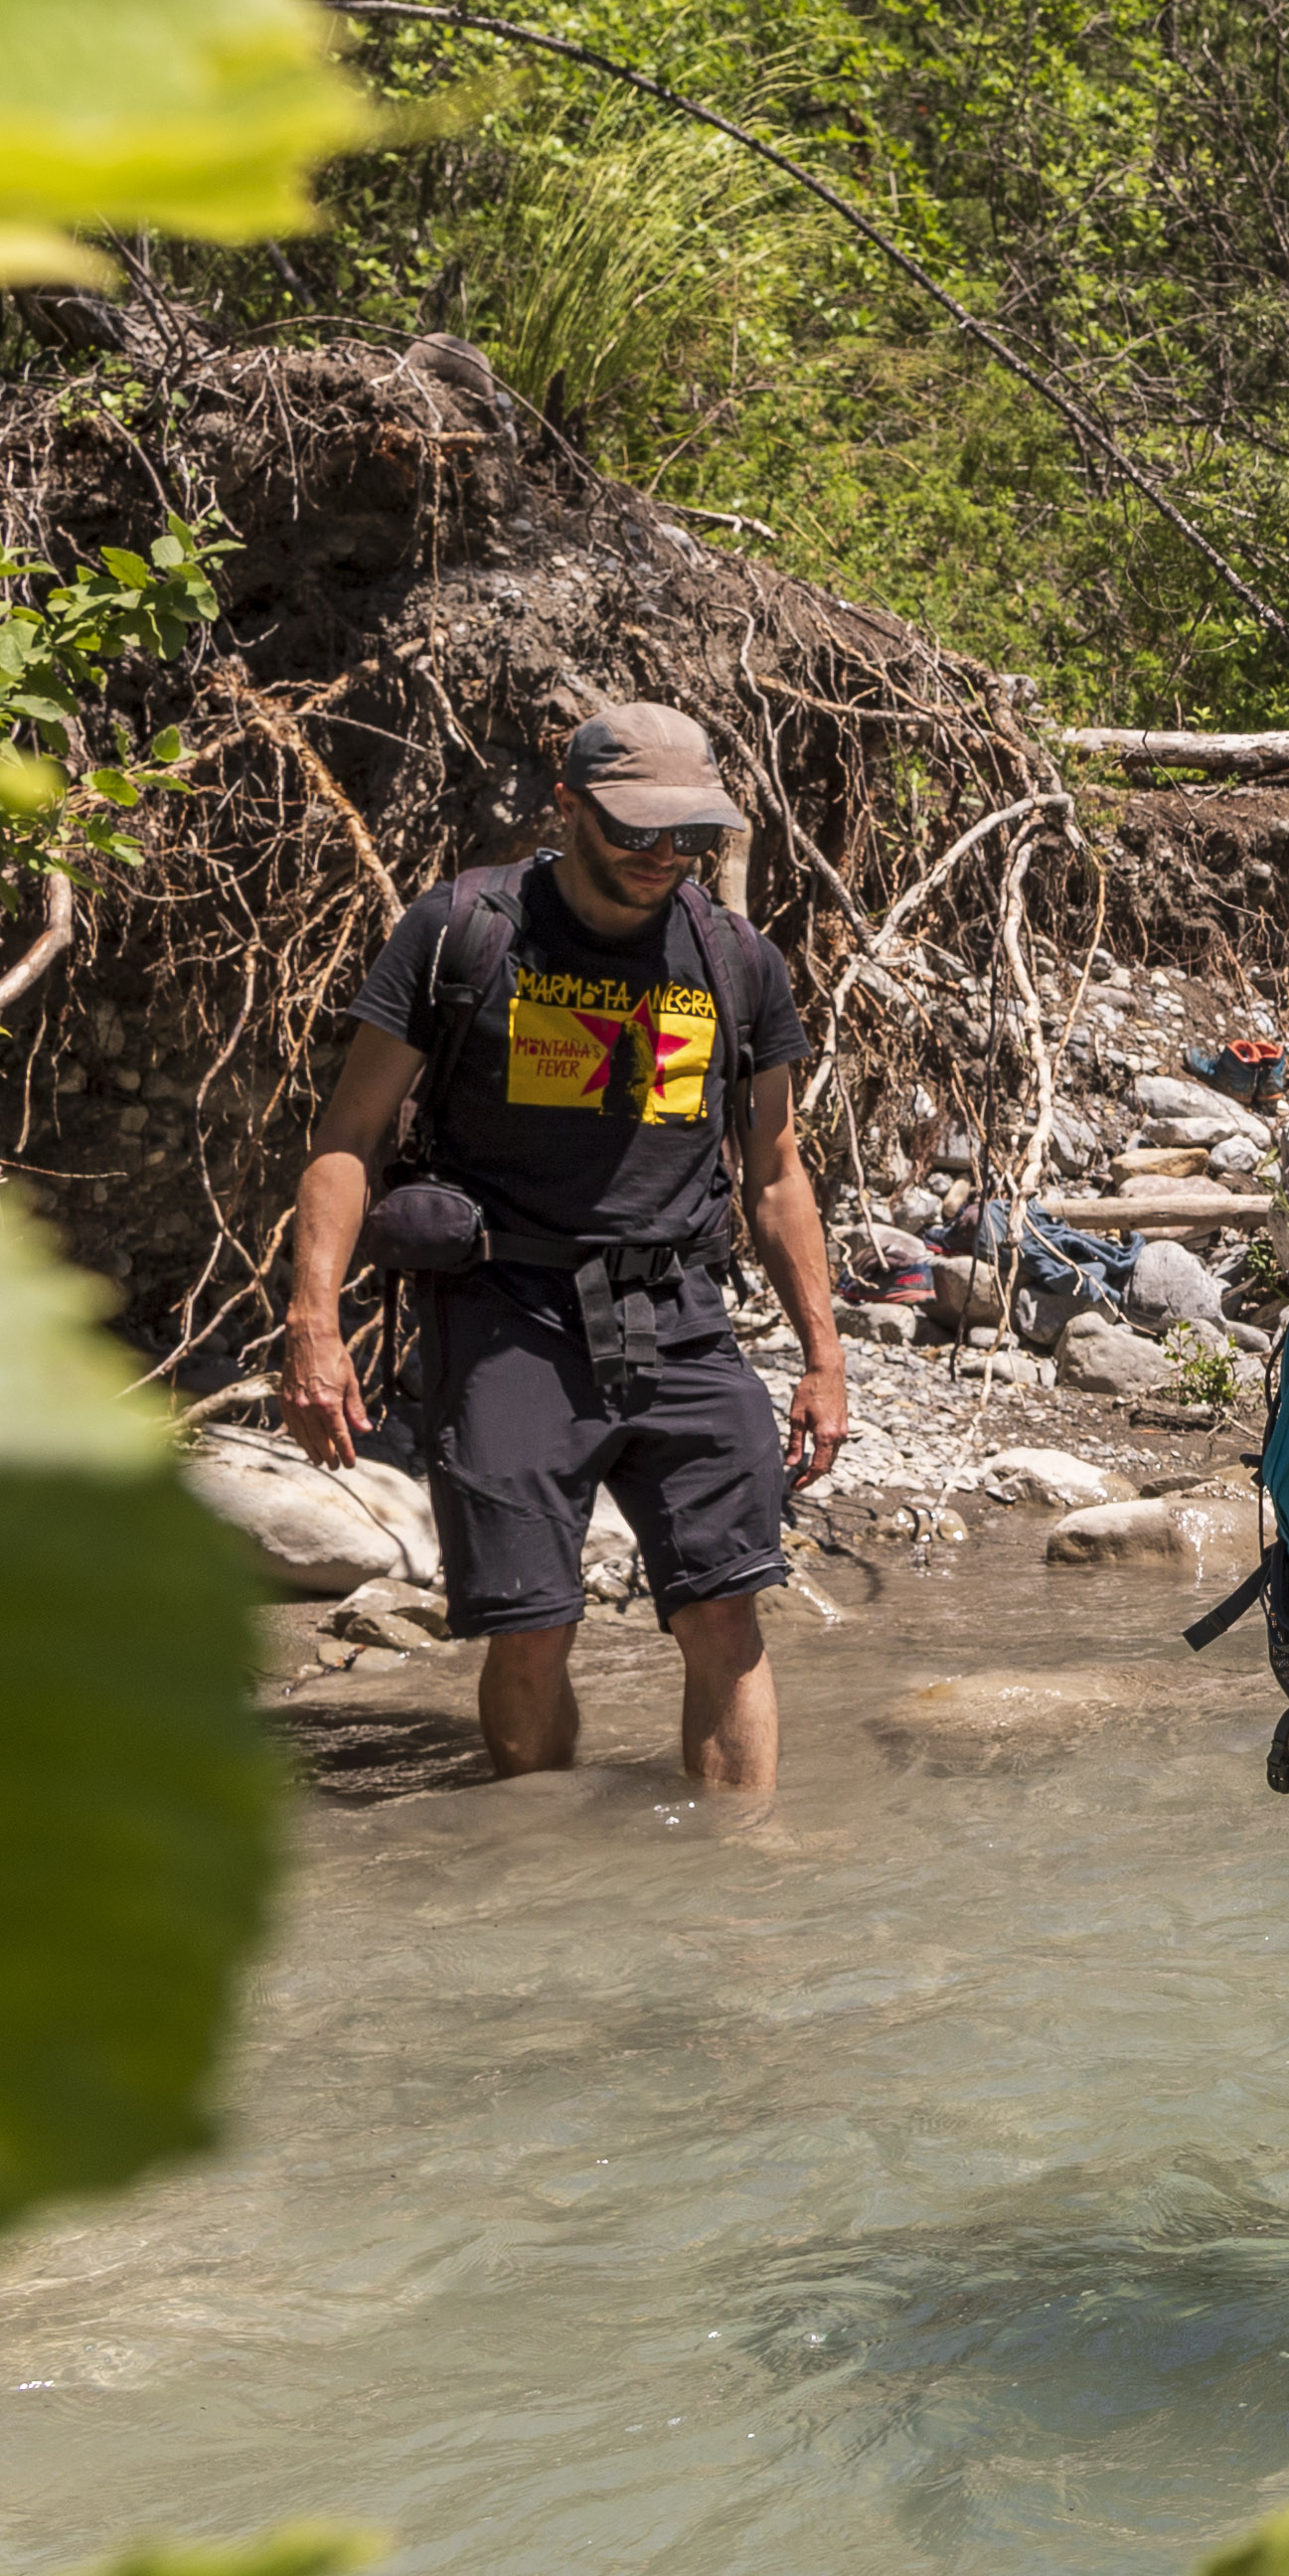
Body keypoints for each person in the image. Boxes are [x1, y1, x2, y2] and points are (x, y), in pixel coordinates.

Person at [282, 703, 847, 1798]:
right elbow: (346, 1139)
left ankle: (742, 1891)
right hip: (505, 1313)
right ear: (568, 807)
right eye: (635, 832)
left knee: (726, 1608)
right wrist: (315, 1324)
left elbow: (777, 1173)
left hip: (680, 1313)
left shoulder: (736, 958)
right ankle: (538, 1870)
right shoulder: (463, 929)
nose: (663, 859)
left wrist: (824, 1357)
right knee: (533, 1625)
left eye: (689, 838)